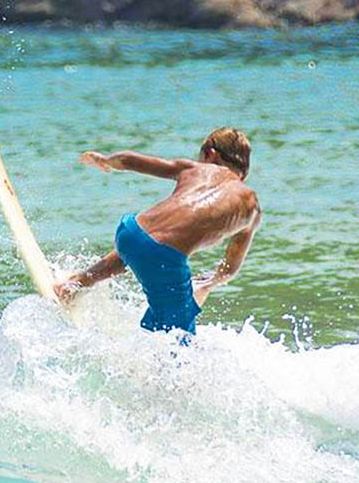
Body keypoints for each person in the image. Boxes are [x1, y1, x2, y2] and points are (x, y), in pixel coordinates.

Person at [53, 128, 261, 335]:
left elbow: (129, 160)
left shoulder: (194, 168)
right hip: (162, 256)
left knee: (141, 249)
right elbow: (229, 269)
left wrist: (105, 161)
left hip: (130, 229)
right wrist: (205, 284)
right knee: (177, 337)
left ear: (210, 154)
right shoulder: (252, 209)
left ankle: (75, 284)